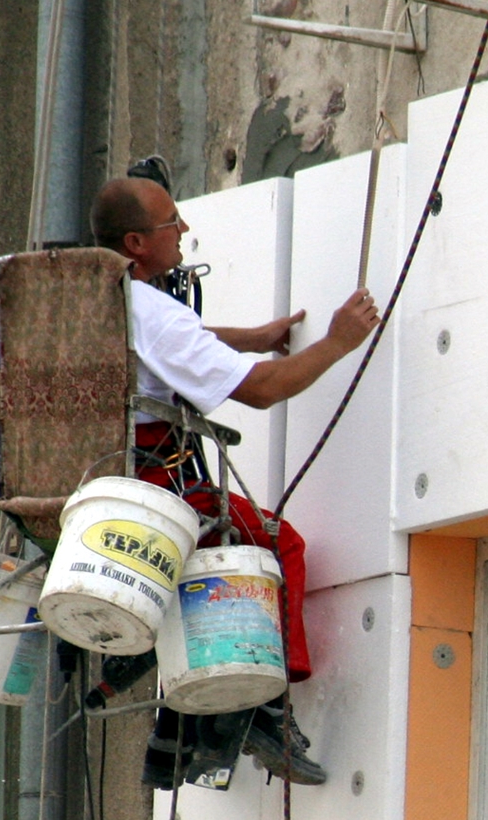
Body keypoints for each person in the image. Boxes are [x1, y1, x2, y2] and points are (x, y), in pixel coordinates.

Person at [89, 176, 379, 785]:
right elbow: (261, 390)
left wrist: (256, 338)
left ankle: (170, 705)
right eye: (173, 223)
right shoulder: (156, 314)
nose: (184, 232)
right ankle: (268, 711)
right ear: (138, 242)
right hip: (155, 491)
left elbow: (167, 345)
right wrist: (336, 343)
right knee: (278, 545)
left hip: (90, 490)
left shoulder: (92, 301)